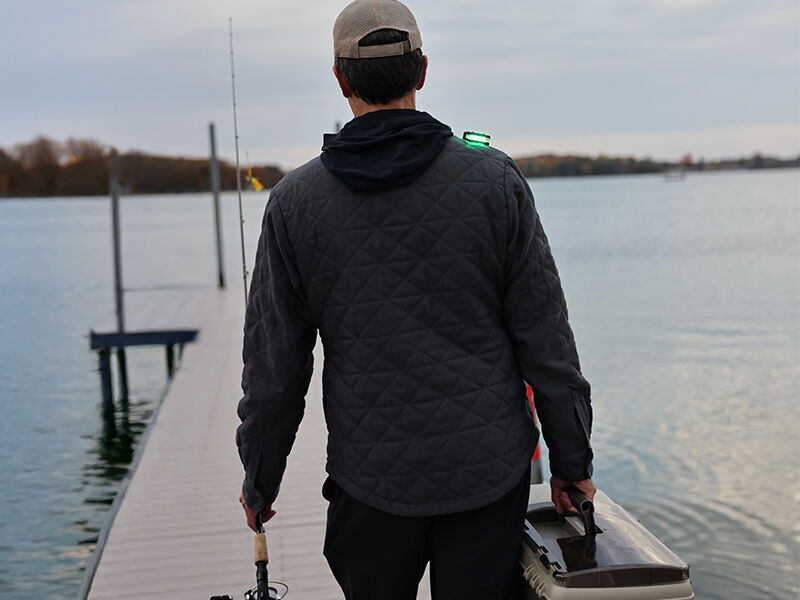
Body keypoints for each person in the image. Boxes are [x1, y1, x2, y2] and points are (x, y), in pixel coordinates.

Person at [236, 0, 595, 597]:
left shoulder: (294, 203)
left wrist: (259, 478)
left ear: (340, 78)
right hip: (488, 473)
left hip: (370, 482)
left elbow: (275, 368)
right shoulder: (495, 181)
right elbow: (547, 341)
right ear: (422, 70)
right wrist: (572, 464)